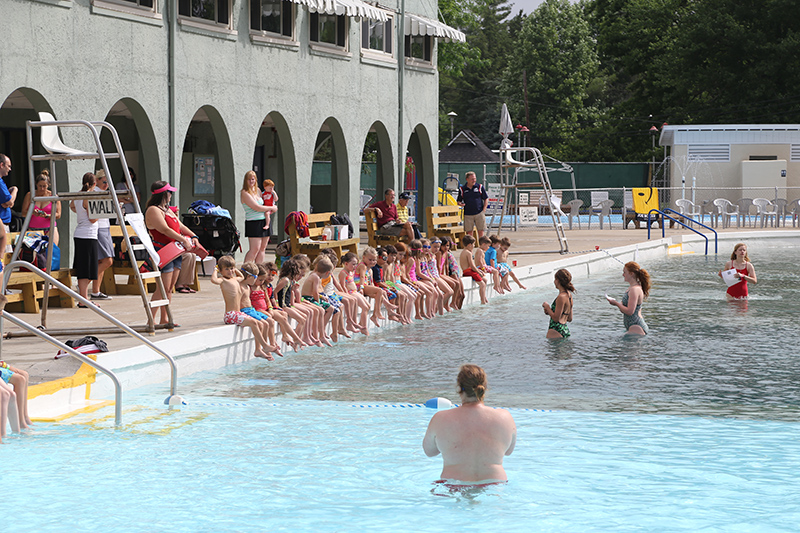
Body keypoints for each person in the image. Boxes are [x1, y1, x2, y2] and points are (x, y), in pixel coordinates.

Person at [423, 364, 516, 485]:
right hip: (495, 484)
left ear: (459, 388)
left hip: (454, 484)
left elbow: (429, 452)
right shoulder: (505, 417)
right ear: (484, 388)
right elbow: (508, 451)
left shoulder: (440, 418)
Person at [145, 181, 199, 326]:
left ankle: (165, 319)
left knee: (169, 288)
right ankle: (151, 320)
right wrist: (184, 240)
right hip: (163, 250)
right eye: (170, 192)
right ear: (164, 194)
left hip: (174, 250)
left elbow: (180, 226)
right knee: (162, 287)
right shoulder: (153, 210)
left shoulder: (167, 209)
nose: (171, 195)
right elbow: (164, 230)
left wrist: (194, 237)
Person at [210, 255, 274, 360]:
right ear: (221, 270)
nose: (230, 271)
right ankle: (265, 346)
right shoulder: (222, 280)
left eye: (231, 268)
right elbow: (213, 280)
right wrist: (215, 270)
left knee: (258, 323)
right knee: (254, 322)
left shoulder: (236, 279)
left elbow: (242, 277)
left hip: (238, 313)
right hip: (230, 314)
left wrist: (235, 270)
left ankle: (258, 349)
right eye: (227, 269)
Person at [71, 173, 100, 307]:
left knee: (86, 268)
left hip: (81, 233)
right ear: (94, 184)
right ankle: (83, 298)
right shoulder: (89, 197)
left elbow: (72, 206)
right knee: (86, 269)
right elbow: (93, 218)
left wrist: (80, 212)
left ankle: (84, 297)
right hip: (87, 234)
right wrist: (101, 214)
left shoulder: (78, 194)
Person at [241, 170, 276, 264]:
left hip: (264, 221)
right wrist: (272, 207)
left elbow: (265, 203)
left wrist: (269, 209)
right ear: (245, 181)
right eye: (249, 179)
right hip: (253, 222)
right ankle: (246, 271)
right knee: (254, 249)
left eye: (253, 179)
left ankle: (259, 271)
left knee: (262, 248)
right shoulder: (244, 193)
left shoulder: (259, 191)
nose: (251, 181)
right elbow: (256, 207)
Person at [608, 261, 650, 335]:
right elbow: (625, 310)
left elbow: (630, 312)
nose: (623, 275)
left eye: (625, 272)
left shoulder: (634, 289)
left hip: (636, 326)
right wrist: (620, 304)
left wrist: (617, 304)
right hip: (632, 326)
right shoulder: (631, 288)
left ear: (631, 274)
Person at [90, 169, 113, 300]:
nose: (106, 184)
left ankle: (95, 291)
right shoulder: (94, 193)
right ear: (97, 180)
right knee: (107, 260)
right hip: (99, 228)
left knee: (102, 261)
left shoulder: (105, 192)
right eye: (104, 181)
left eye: (108, 182)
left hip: (105, 227)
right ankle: (86, 281)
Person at [21, 169, 61, 245]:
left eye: (44, 186)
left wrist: (47, 215)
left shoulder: (53, 196)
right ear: (36, 185)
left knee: (51, 251)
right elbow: (23, 213)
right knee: (33, 253)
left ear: (48, 185)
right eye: (40, 186)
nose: (42, 189)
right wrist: (32, 213)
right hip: (33, 229)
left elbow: (58, 214)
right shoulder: (30, 195)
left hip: (50, 228)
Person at [542, 268, 574, 338]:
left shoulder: (561, 297)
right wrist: (550, 311)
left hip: (555, 330)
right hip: (565, 330)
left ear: (558, 281)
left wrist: (547, 306)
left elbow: (556, 319)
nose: (554, 281)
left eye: (555, 279)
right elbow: (569, 318)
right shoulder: (569, 296)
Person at [456, 171, 488, 238]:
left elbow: (486, 198)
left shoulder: (480, 187)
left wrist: (484, 210)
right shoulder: (462, 189)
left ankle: (481, 246)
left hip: (479, 212)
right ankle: (470, 246)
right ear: (467, 179)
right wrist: (460, 204)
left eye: (475, 178)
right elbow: (458, 200)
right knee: (469, 233)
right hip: (468, 214)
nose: (474, 180)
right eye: (472, 179)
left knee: (481, 231)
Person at [0, 154, 19, 268]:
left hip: (3, 224)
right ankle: (3, 285)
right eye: (8, 166)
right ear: (1, 165)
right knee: (4, 258)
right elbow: (8, 203)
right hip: (2, 226)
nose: (10, 169)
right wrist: (15, 190)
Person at [458, 235, 488, 304]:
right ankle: (483, 301)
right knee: (482, 284)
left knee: (485, 280)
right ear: (469, 245)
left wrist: (479, 270)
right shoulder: (468, 253)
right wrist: (479, 272)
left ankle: (484, 296)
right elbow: (472, 266)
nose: (474, 246)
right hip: (468, 271)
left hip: (467, 271)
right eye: (473, 244)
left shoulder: (464, 251)